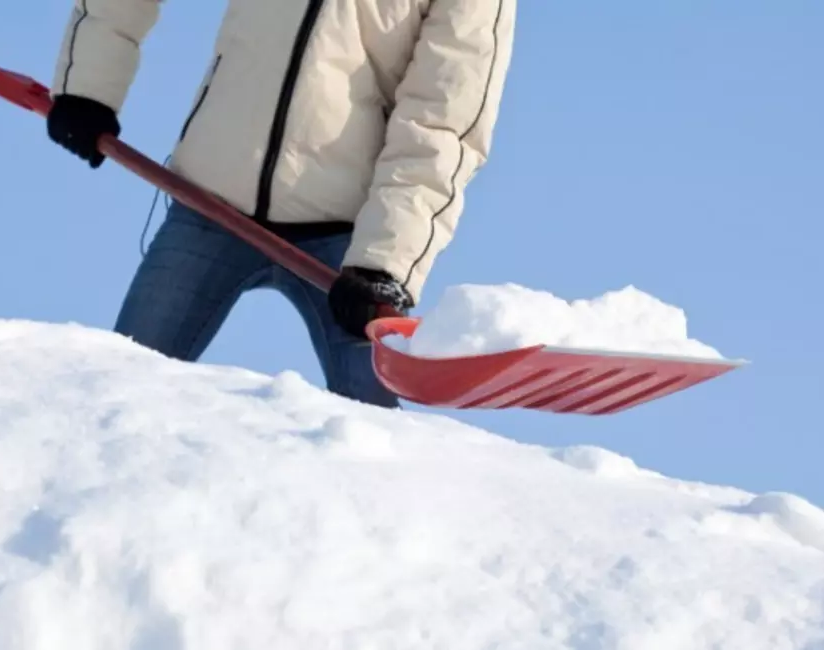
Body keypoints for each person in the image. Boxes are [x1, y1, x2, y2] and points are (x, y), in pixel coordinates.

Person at [45, 0, 516, 408]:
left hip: (350, 247)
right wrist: (87, 85)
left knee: (373, 443)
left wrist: (385, 266)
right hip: (211, 204)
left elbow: (443, 124)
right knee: (117, 393)